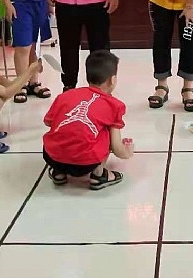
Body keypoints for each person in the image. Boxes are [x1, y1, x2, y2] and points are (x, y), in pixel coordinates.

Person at [42, 50, 134, 190]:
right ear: (113, 80)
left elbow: (48, 121)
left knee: (61, 129)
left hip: (52, 157)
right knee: (105, 131)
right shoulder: (114, 105)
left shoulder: (65, 96)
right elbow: (116, 148)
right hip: (87, 164)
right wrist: (126, 151)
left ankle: (59, 172)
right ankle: (99, 174)